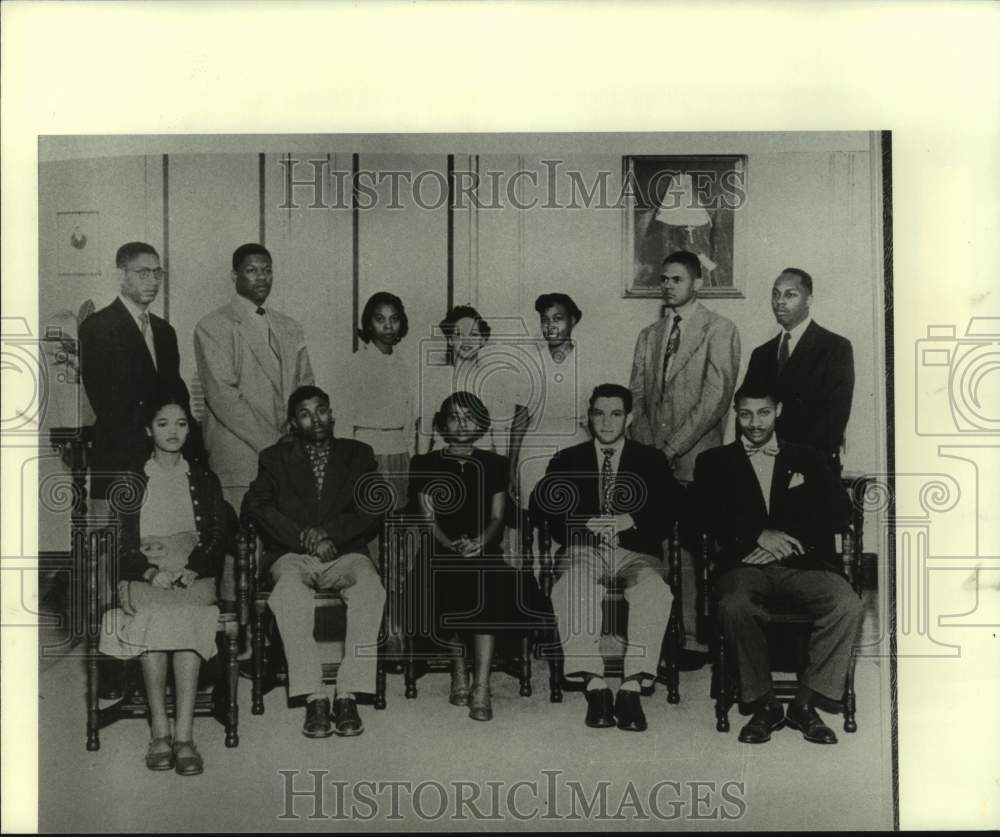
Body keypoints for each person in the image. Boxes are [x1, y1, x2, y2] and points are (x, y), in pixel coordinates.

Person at [693, 383, 862, 745]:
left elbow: (839, 511)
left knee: (847, 603)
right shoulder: (714, 462)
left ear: (779, 410)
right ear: (735, 415)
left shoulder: (810, 458)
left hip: (805, 565)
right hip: (743, 567)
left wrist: (786, 542)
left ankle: (805, 703)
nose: (755, 423)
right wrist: (756, 535)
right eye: (746, 414)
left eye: (764, 412)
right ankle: (764, 704)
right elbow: (701, 518)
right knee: (734, 605)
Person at [242, 385, 386, 739]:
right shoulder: (274, 458)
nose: (316, 419)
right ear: (293, 423)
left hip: (345, 553)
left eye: (321, 410)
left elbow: (374, 503)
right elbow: (258, 506)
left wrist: (329, 535)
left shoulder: (359, 454)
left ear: (332, 413)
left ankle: (348, 693)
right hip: (291, 554)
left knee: (371, 589)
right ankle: (315, 696)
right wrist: (304, 535)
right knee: (288, 594)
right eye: (305, 414)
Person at [98, 392, 228, 777]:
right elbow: (120, 541)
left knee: (190, 614)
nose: (173, 431)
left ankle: (185, 735)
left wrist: (193, 568)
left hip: (193, 566)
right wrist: (151, 572)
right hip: (144, 569)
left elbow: (218, 535)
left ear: (191, 429)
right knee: (153, 616)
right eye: (163, 423)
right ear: (148, 429)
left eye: (182, 423)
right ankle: (160, 731)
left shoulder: (204, 478)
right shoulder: (131, 480)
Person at [538, 384, 680, 732]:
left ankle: (632, 685)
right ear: (589, 417)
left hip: (636, 551)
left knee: (655, 593)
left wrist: (631, 520)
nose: (606, 422)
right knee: (571, 587)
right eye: (598, 413)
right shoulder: (568, 459)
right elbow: (542, 502)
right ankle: (595, 684)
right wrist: (584, 519)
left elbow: (674, 505)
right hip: (583, 550)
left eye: (616, 413)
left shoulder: (651, 459)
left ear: (629, 417)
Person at [628, 249, 740, 665]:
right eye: (664, 279)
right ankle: (660, 635)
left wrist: (672, 448)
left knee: (694, 547)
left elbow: (716, 398)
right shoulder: (648, 335)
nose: (667, 286)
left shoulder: (720, 329)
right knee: (654, 544)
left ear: (697, 283)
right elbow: (636, 395)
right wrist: (648, 452)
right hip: (655, 461)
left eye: (676, 279)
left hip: (697, 460)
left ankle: (694, 637)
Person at [409, 392, 536, 722]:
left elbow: (497, 516)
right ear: (441, 424)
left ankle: (481, 686)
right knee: (442, 579)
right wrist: (451, 545)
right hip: (440, 549)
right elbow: (427, 518)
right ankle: (458, 672)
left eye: (469, 416)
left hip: (484, 549)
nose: (462, 423)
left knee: (488, 581)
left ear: (481, 424)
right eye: (454, 416)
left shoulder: (495, 463)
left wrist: (479, 542)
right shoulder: (424, 463)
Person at [194, 243, 315, 514]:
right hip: (240, 456)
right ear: (234, 276)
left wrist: (298, 441)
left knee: (279, 545)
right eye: (251, 270)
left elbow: (306, 387)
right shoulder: (213, 326)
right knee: (238, 545)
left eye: (267, 270)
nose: (262, 278)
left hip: (287, 455)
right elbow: (223, 396)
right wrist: (275, 444)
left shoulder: (290, 327)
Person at [79, 242, 191, 506]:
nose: (152, 281)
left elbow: (176, 394)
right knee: (121, 542)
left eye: (157, 273)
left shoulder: (164, 331)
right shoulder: (98, 327)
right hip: (121, 461)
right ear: (121, 275)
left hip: (165, 462)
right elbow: (107, 403)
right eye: (143, 273)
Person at [740, 267, 855, 471]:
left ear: (809, 300)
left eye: (790, 295)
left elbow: (834, 419)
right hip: (763, 468)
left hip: (810, 469)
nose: (780, 302)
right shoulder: (761, 353)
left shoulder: (835, 348)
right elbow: (745, 411)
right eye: (775, 295)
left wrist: (796, 461)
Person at [508, 293, 592, 522]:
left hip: (576, 447)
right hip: (534, 449)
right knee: (533, 519)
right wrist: (512, 467)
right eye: (545, 320)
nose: (550, 326)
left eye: (558, 319)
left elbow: (598, 418)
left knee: (574, 519)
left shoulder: (589, 362)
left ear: (573, 320)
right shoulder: (531, 363)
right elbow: (520, 420)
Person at [337, 291, 417, 512]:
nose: (388, 326)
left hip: (399, 453)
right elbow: (344, 421)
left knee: (398, 518)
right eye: (380, 319)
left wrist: (409, 455)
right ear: (369, 324)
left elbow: (410, 420)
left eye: (394, 319)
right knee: (367, 517)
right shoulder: (354, 364)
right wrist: (347, 463)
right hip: (366, 453)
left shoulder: (405, 367)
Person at [416, 305, 516, 457]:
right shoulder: (435, 378)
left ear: (483, 340)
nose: (466, 341)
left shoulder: (494, 380)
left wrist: (502, 468)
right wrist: (420, 464)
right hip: (442, 458)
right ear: (450, 339)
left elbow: (500, 432)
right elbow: (425, 427)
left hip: (482, 458)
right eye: (459, 334)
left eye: (474, 335)